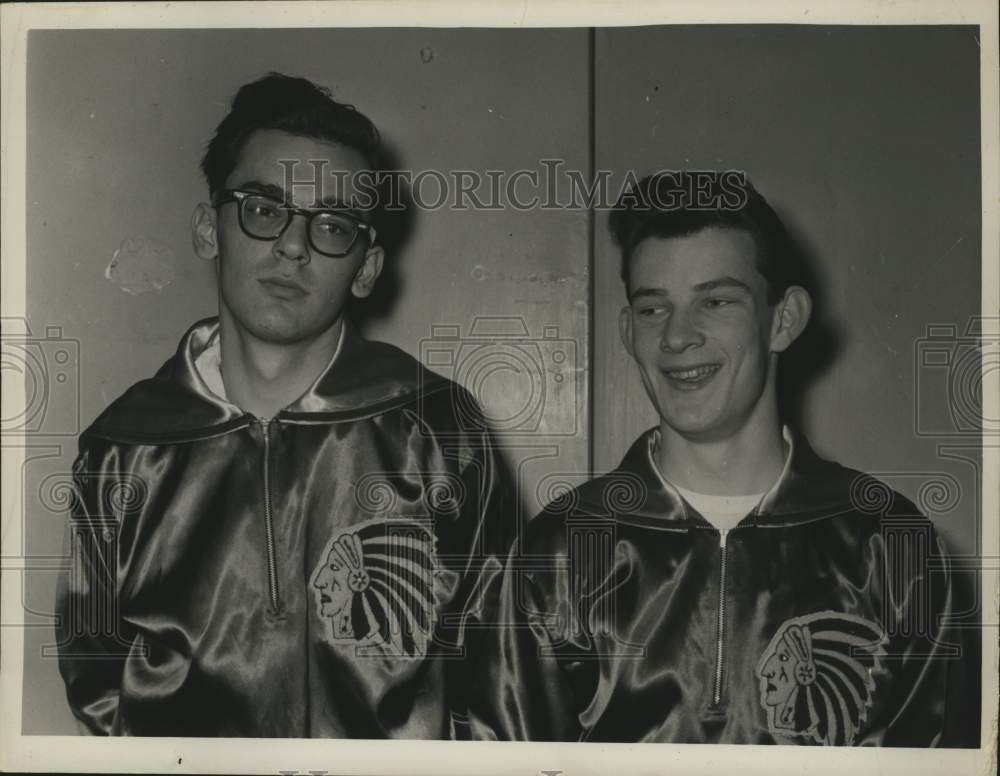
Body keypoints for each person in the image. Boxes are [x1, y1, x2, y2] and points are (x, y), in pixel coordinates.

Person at [56, 73, 510, 737]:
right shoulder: (123, 449)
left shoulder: (437, 430)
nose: (292, 247)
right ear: (210, 229)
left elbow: (506, 683)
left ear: (366, 267)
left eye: (331, 225)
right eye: (264, 210)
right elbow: (97, 688)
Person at [465, 172, 974, 746]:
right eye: (654, 309)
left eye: (716, 301)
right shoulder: (559, 552)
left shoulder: (889, 545)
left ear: (782, 319)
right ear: (628, 331)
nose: (679, 336)